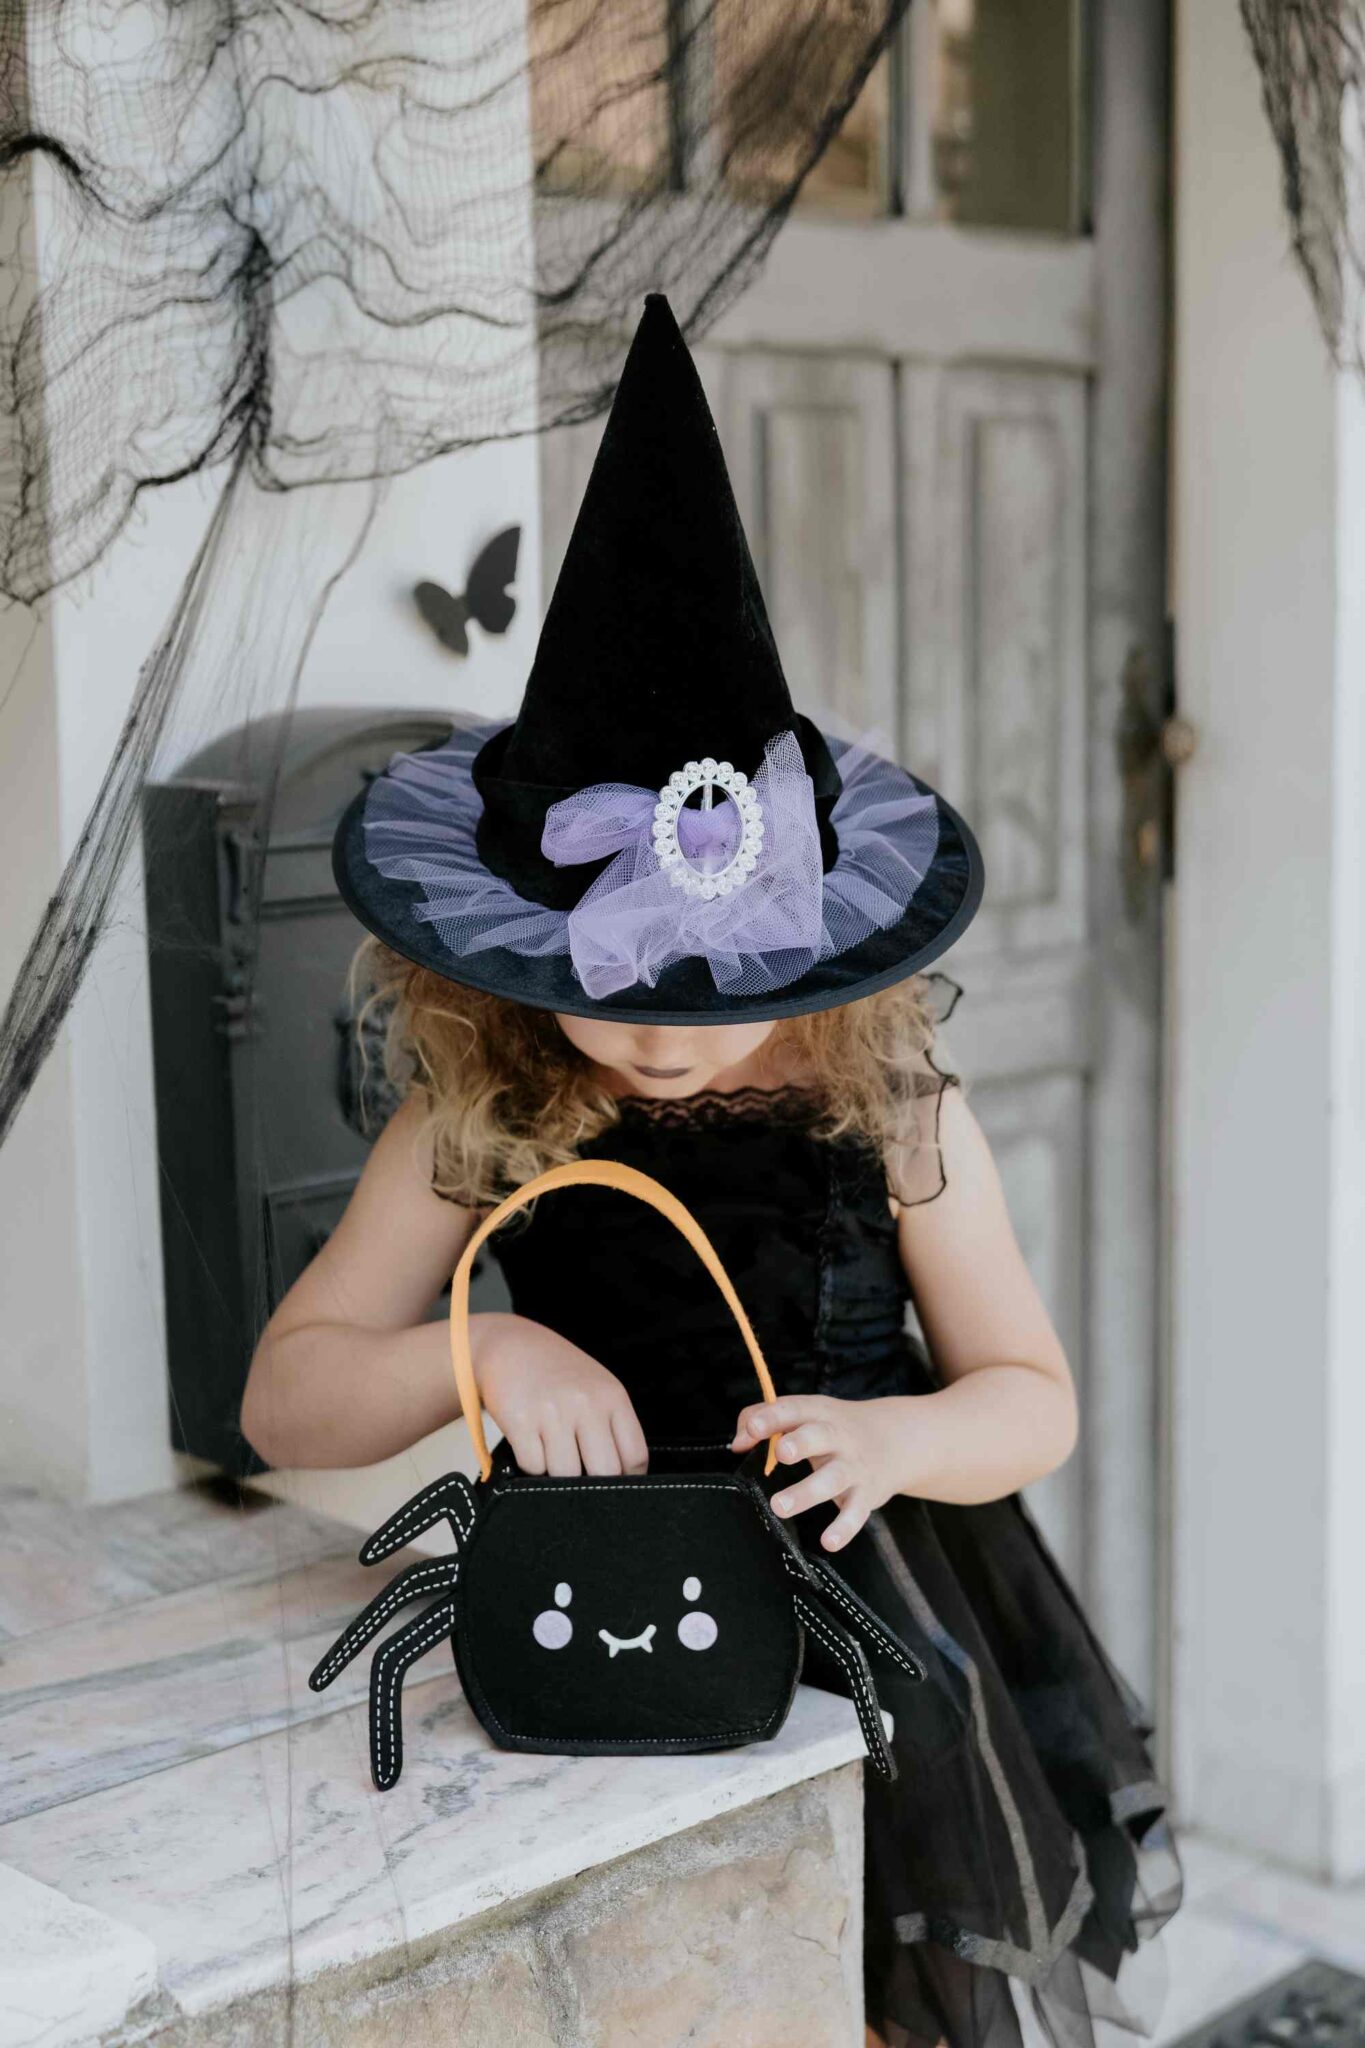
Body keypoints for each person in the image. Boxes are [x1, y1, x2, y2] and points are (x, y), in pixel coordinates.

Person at [241, 296, 1179, 2048]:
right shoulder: (481, 1110)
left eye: (716, 990)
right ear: (522, 948)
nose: (660, 1037)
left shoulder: (895, 1111)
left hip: (869, 1602)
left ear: (802, 941)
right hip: (591, 1593)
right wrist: (481, 1350)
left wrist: (897, 1441)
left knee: (872, 1987)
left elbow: (1031, 1400)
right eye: (613, 986)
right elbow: (283, 1404)